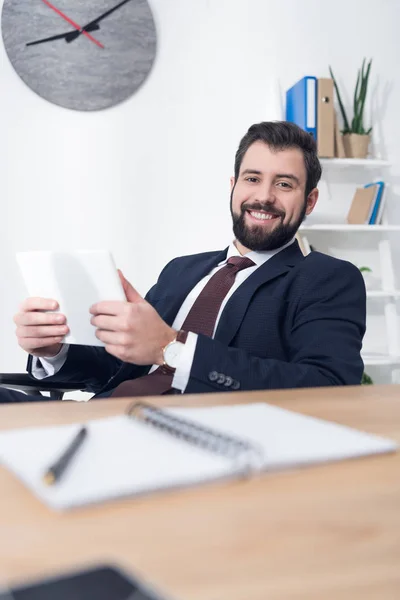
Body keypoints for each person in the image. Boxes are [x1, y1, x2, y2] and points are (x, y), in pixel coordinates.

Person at [2, 121, 366, 403]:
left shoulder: (327, 278)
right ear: (233, 186)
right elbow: (119, 370)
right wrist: (55, 350)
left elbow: (328, 387)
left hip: (196, 437)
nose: (263, 196)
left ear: (311, 200)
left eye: (284, 184)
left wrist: (172, 349)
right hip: (103, 416)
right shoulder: (182, 270)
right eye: (252, 179)